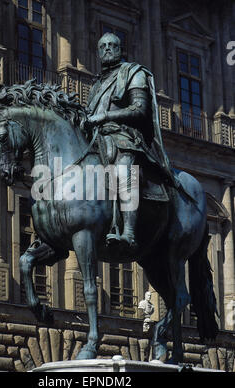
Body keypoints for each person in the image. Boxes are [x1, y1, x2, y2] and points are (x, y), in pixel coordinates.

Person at [85, 32, 179, 250]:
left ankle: (129, 232)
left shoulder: (133, 73)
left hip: (125, 136)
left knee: (125, 170)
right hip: (98, 137)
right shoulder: (97, 84)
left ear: (120, 49)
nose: (107, 49)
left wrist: (106, 117)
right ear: (98, 52)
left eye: (112, 45)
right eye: (102, 46)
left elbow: (139, 108)